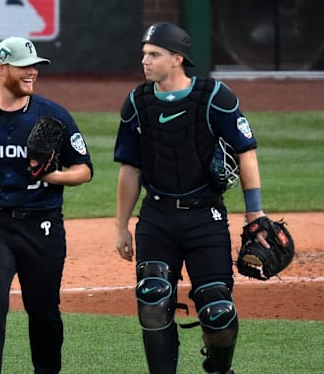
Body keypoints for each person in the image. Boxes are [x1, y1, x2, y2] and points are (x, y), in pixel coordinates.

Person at [113, 22, 272, 374]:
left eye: (154, 54)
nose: (145, 61)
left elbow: (247, 153)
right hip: (157, 218)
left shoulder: (216, 97)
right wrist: (121, 225)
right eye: (144, 54)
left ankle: (219, 369)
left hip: (206, 219)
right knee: (152, 296)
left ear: (177, 58)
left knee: (217, 311)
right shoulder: (138, 102)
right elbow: (130, 169)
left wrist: (255, 213)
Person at [0, 36, 93, 374]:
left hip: (42, 226)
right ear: (1, 69)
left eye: (35, 67)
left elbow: (85, 170)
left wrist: (53, 176)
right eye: (24, 66)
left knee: (43, 311)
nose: (32, 73)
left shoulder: (53, 116)